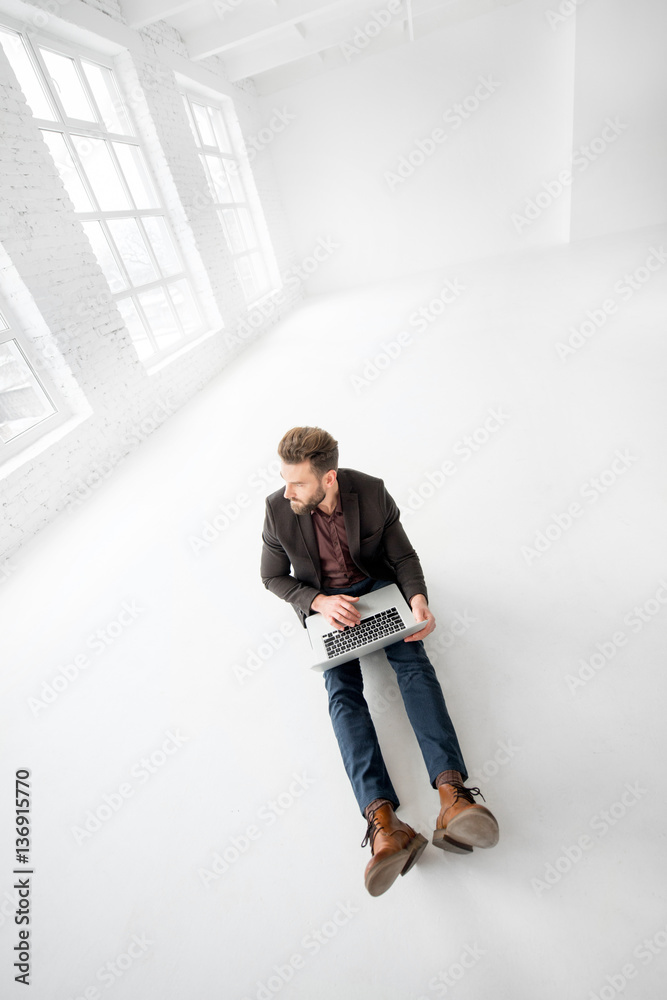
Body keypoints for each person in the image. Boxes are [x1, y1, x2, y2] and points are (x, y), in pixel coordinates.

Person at [260, 426, 499, 896]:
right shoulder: (277, 510)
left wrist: (418, 599)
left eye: (299, 482)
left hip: (376, 593)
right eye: (285, 480)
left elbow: (402, 554)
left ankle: (452, 796)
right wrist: (318, 601)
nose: (288, 491)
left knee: (413, 666)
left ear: (328, 479)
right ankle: (384, 824)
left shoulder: (370, 491)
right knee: (342, 694)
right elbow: (272, 577)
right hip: (327, 611)